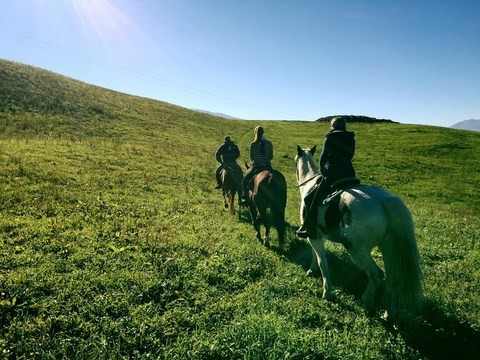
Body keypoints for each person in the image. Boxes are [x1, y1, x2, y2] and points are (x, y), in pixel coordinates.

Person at [296, 117, 356, 238]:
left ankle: (309, 229)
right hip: (349, 174)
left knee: (309, 199)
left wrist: (324, 171)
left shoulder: (330, 137)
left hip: (333, 175)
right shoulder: (350, 137)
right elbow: (350, 155)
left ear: (332, 126)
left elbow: (323, 157)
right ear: (344, 126)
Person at [240, 126, 274, 204]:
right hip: (267, 166)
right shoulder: (269, 143)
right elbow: (271, 157)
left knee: (245, 181)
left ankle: (245, 198)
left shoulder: (253, 144)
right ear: (263, 133)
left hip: (257, 167)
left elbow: (252, 157)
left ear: (255, 133)